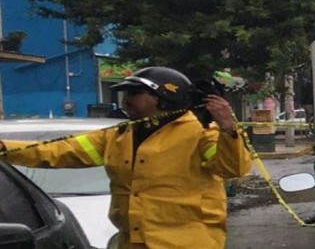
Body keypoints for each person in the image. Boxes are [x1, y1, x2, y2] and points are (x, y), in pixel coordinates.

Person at [0, 66, 253, 249]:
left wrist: (228, 129)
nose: (126, 101)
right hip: (132, 242)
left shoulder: (201, 133)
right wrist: (3, 147)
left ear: (164, 97)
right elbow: (54, 151)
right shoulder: (120, 135)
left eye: (134, 94)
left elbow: (233, 167)